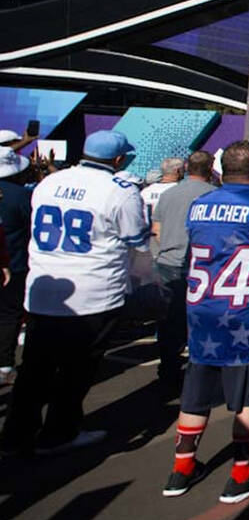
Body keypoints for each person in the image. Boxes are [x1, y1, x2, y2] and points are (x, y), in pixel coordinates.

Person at [0, 130, 148, 455]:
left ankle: (15, 434)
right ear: (119, 159)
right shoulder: (120, 191)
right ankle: (59, 433)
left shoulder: (50, 182)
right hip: (93, 291)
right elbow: (136, 238)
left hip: (45, 285)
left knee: (35, 367)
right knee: (76, 369)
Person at [161, 142, 249, 502]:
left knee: (195, 391)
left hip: (203, 309)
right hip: (247, 313)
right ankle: (241, 475)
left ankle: (181, 470)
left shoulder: (200, 206)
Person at [153, 151, 217, 389]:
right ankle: (198, 376)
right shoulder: (214, 195)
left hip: (169, 262)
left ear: (186, 168)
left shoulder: (169, 194)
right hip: (201, 265)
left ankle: (168, 370)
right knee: (201, 321)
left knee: (169, 322)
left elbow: (157, 229)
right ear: (210, 168)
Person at [0, 146, 33, 386]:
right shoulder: (20, 196)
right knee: (9, 315)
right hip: (14, 263)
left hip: (11, 260)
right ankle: (4, 364)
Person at [142, 157, 184, 222]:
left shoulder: (145, 192)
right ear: (177, 171)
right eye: (183, 170)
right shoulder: (181, 192)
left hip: (148, 230)